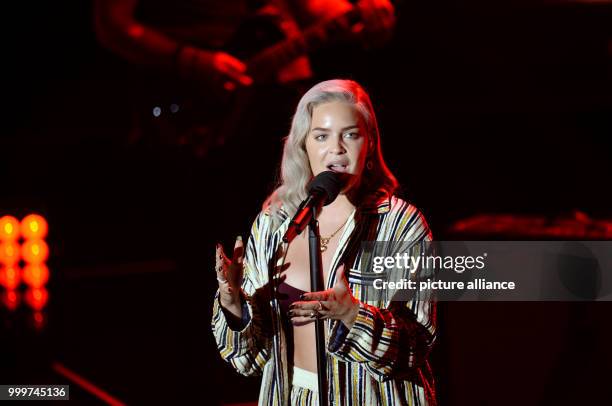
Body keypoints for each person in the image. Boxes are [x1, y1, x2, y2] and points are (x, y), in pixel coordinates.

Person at [212, 79, 436, 405]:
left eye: (350, 134)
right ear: (304, 146)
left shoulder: (401, 226)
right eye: (322, 136)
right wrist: (233, 304)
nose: (337, 148)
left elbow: (415, 347)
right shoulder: (274, 225)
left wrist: (353, 316)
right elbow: (248, 361)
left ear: (370, 144)